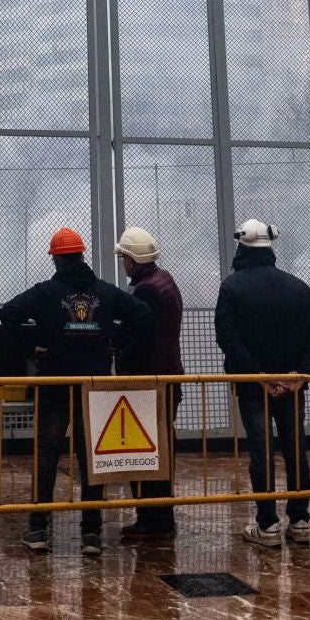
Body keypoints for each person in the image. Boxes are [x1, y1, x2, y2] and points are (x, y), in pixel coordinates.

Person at [0, 227, 153, 556]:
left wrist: (33, 347)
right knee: (89, 460)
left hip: (54, 385)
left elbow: (8, 313)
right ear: (82, 256)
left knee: (47, 456)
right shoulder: (105, 293)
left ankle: (39, 530)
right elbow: (142, 314)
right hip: (93, 387)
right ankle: (91, 535)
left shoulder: (44, 293)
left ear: (55, 259)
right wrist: (115, 341)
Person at [213, 219, 310, 548]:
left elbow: (227, 336)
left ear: (242, 247)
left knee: (261, 452)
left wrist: (258, 375)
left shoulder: (232, 287)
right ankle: (301, 520)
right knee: (296, 450)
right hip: (293, 387)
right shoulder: (298, 287)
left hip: (253, 387)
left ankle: (267, 525)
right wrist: (297, 375)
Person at [112, 227, 183, 539]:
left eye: (123, 258)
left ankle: (152, 518)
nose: (122, 264)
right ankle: (160, 515)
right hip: (167, 376)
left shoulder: (145, 291)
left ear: (131, 260)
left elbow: (142, 339)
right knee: (162, 448)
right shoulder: (164, 280)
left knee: (145, 451)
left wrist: (118, 352)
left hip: (147, 381)